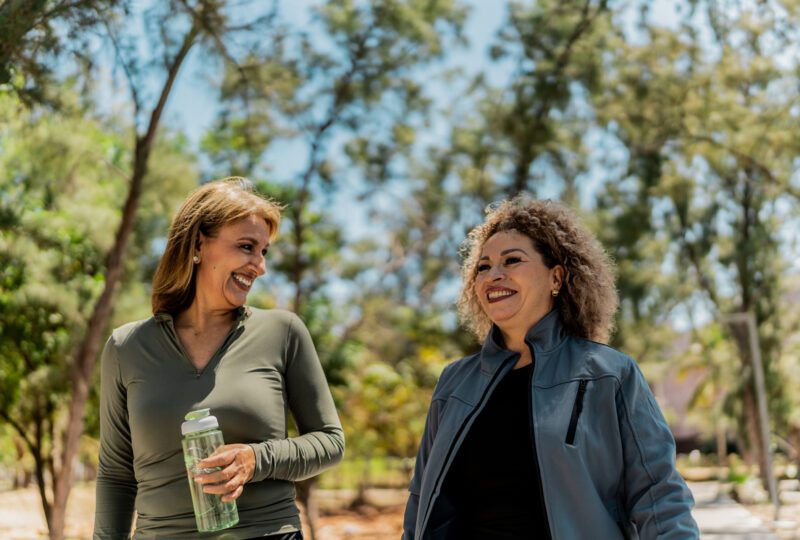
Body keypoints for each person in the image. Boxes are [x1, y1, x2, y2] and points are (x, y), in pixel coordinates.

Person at [402, 197, 698, 539]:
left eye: (512, 260)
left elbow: (659, 496)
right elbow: (421, 498)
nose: (493, 275)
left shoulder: (610, 374)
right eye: (483, 267)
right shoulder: (454, 382)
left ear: (556, 277)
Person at [94, 177, 344, 539]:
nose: (260, 266)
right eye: (247, 247)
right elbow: (116, 475)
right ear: (198, 244)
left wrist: (256, 460)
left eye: (263, 251)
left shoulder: (283, 332)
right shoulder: (127, 347)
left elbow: (330, 440)